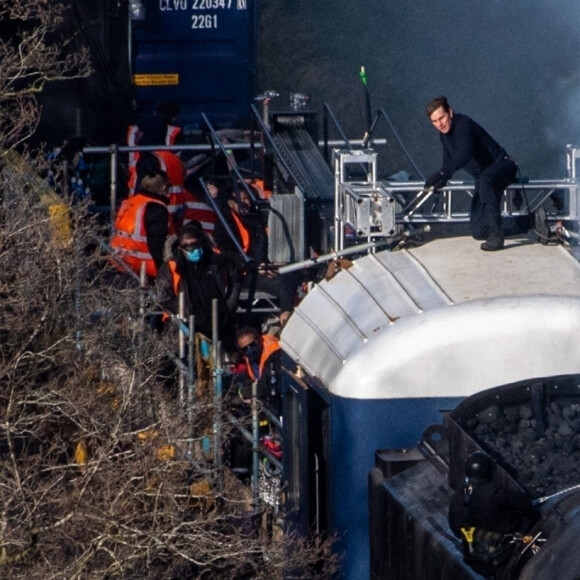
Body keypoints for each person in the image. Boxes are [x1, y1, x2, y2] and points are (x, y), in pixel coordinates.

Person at [425, 95, 541, 251]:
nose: (440, 124)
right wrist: (443, 178)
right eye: (435, 121)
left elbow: (464, 153)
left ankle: (497, 236)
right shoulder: (444, 135)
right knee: (479, 230)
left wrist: (442, 173)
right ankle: (534, 220)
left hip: (504, 165)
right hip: (484, 178)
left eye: (442, 118)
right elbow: (449, 159)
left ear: (450, 113)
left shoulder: (463, 124)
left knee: (485, 180)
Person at [214, 183, 298, 326]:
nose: (246, 203)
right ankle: (286, 317)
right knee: (282, 283)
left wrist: (269, 264)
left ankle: (289, 314)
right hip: (241, 274)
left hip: (259, 268)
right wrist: (256, 266)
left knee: (292, 272)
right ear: (230, 203)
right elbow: (229, 256)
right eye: (242, 199)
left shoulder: (255, 219)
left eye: (247, 199)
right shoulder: (224, 224)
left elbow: (261, 249)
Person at [448, 450, 539, 577]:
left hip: (475, 558)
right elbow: (525, 504)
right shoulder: (496, 492)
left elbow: (456, 528)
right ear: (489, 471)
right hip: (501, 554)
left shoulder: (457, 497)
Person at [155, 222, 240, 351]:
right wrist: (180, 309)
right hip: (186, 324)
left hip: (220, 320)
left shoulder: (217, 260)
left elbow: (235, 280)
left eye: (195, 244)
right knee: (187, 361)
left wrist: (230, 304)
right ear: (180, 248)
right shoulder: (172, 267)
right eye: (187, 246)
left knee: (223, 361)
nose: (192, 249)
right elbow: (161, 294)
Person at [110, 152, 171, 278]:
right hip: (141, 266)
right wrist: (162, 272)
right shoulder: (155, 208)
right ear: (163, 187)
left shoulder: (130, 202)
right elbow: (156, 244)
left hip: (119, 261)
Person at [234, 326, 282, 412]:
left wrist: (246, 392)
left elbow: (266, 385)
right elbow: (248, 379)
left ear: (259, 341)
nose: (250, 349)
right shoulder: (249, 358)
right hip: (263, 402)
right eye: (245, 349)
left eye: (252, 345)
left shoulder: (275, 353)